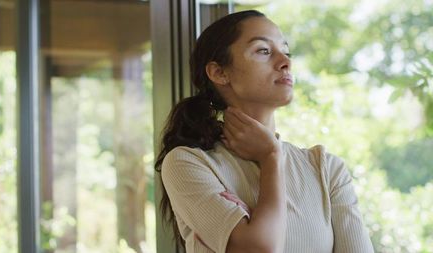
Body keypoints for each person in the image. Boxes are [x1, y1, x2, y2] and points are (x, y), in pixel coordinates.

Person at [155, 10, 374, 253]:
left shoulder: (326, 169)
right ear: (219, 72)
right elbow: (260, 249)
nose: (286, 62)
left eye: (286, 51)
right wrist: (271, 157)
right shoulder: (188, 163)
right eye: (264, 51)